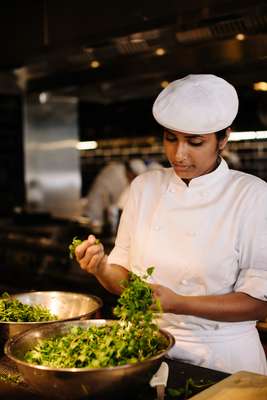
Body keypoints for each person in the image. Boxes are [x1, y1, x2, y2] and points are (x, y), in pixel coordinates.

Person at [75, 74, 267, 374]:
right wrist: (100, 267)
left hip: (221, 360)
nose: (179, 154)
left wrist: (179, 303)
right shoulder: (144, 187)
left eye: (195, 142)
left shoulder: (253, 195)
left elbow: (259, 303)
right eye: (171, 138)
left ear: (224, 138)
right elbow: (123, 282)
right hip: (144, 349)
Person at [82, 158, 146, 233]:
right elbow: (119, 205)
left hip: (103, 207)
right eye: (135, 176)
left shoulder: (121, 171)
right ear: (131, 172)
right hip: (97, 208)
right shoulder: (118, 175)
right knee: (95, 229)